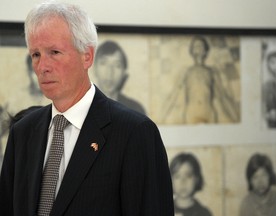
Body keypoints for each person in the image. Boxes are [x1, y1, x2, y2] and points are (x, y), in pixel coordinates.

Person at [0, 2, 174, 216]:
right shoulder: (22, 133)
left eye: (54, 52)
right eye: (36, 54)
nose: (42, 66)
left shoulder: (134, 133)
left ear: (87, 56)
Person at [94, 40, 146, 114]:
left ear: (124, 74)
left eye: (117, 65)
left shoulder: (136, 110)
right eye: (103, 63)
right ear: (95, 69)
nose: (109, 72)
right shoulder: (82, 108)